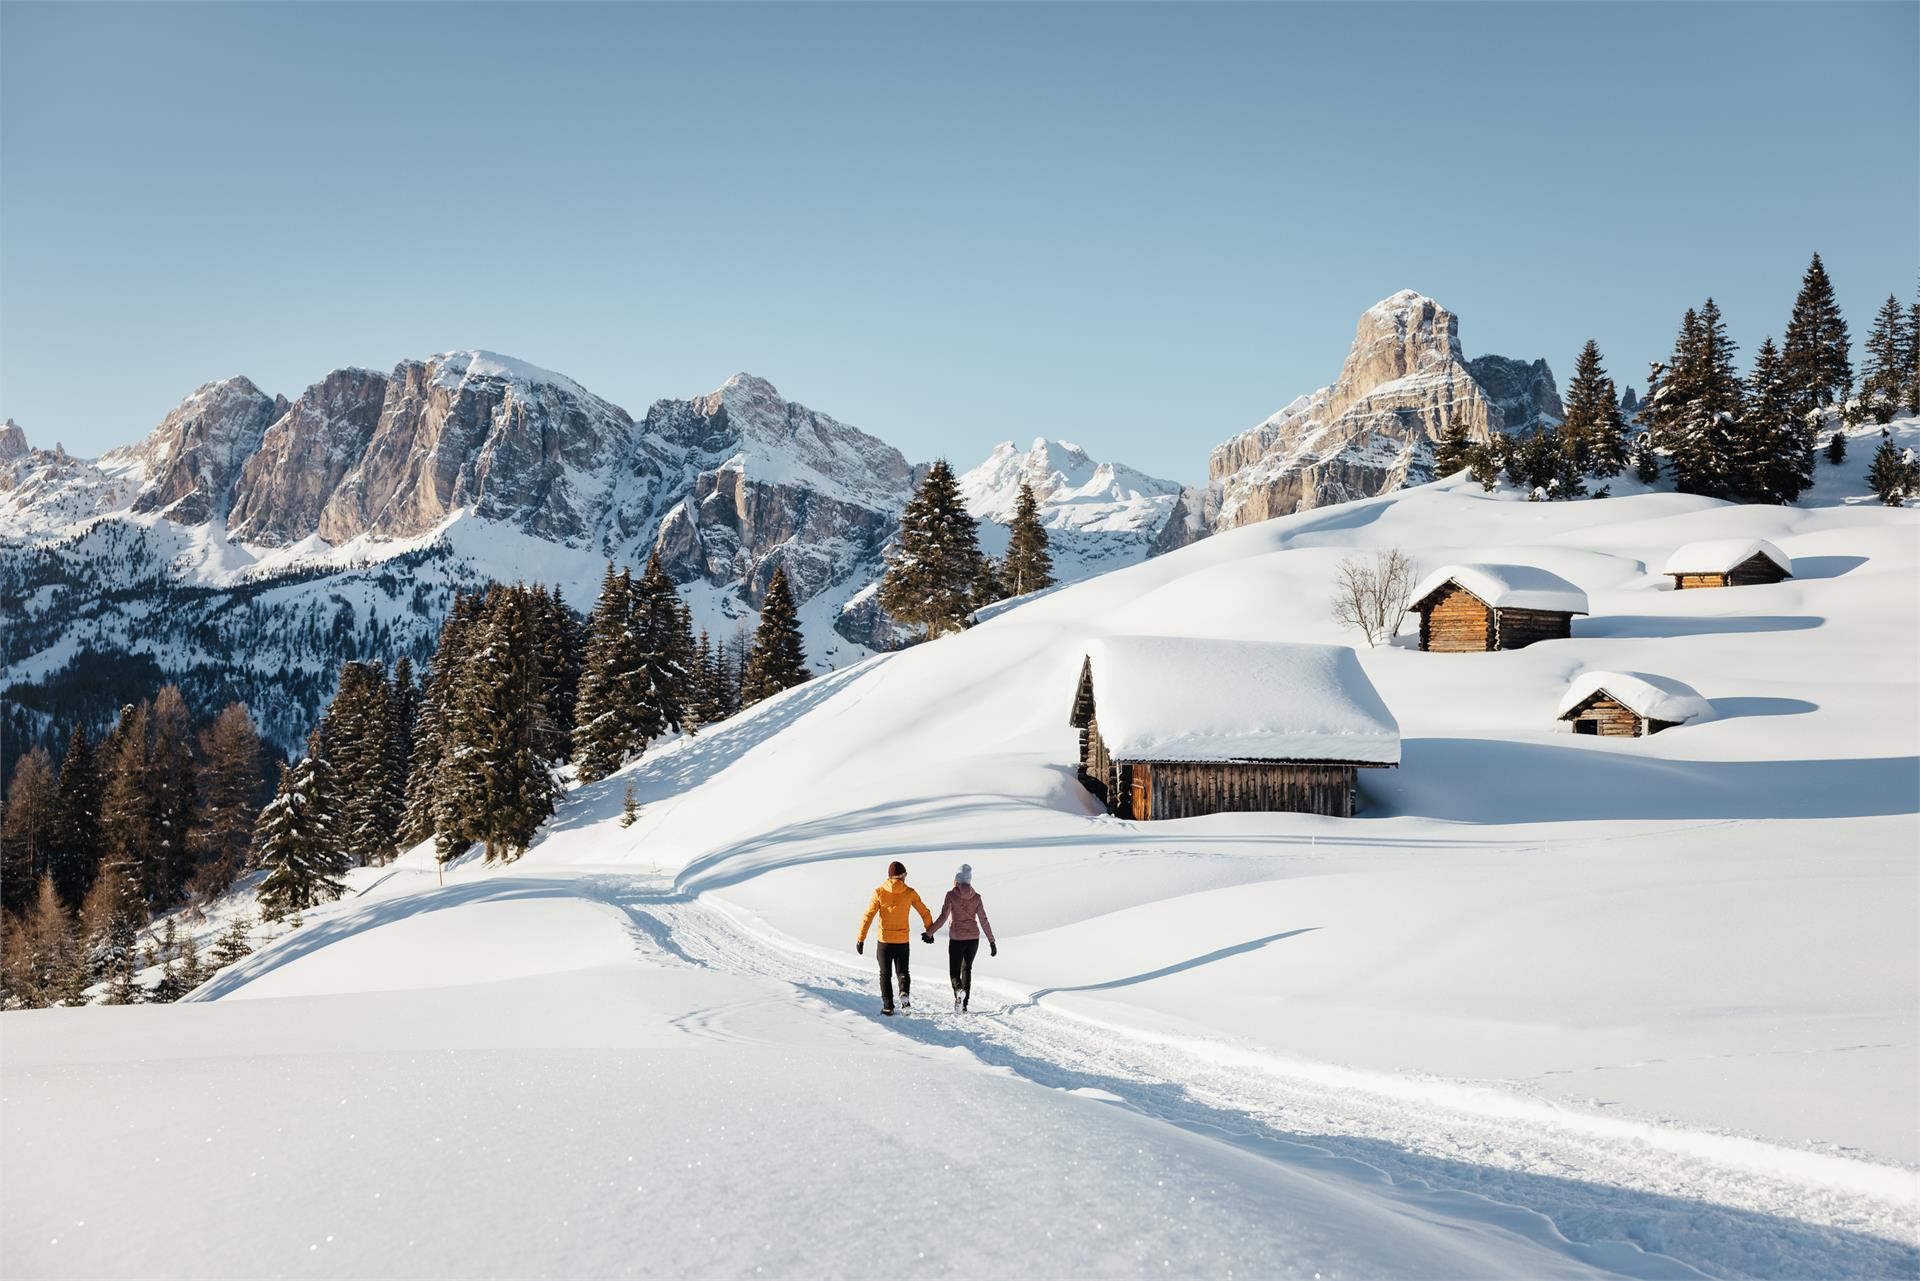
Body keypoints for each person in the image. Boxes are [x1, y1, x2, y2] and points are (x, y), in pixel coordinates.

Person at [856, 860, 933, 1016]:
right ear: (901, 875)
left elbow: (868, 916)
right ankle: (904, 992)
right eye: (905, 874)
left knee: (885, 974)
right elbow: (924, 911)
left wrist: (861, 938)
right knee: (903, 971)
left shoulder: (879, 892)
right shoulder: (910, 892)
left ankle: (888, 1006)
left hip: (884, 941)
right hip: (902, 940)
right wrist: (929, 931)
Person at [921, 862, 997, 1012]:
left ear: (957, 879)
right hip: (973, 939)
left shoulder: (951, 895)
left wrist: (929, 933)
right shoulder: (976, 897)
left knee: (954, 972)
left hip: (957, 939)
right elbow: (983, 920)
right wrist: (991, 941)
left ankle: (958, 991)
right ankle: (964, 1004)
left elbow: (943, 917)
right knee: (967, 969)